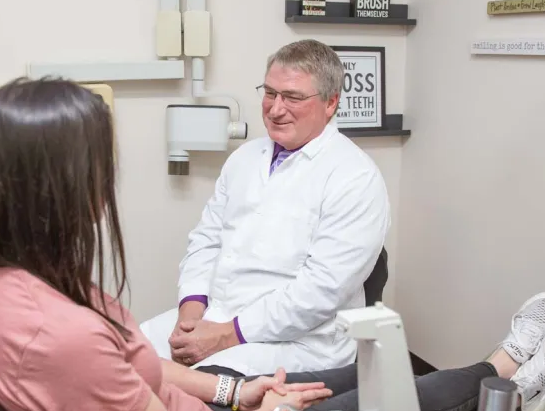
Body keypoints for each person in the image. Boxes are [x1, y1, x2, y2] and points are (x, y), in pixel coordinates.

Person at [0, 78, 545, 411]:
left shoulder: (9, 281)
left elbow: (311, 293)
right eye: (102, 165)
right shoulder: (59, 331)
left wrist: (241, 390)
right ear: (63, 184)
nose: (109, 182)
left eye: (296, 97)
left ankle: (503, 376)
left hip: (225, 390)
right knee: (394, 400)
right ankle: (510, 374)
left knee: (380, 373)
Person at [139, 39, 392, 376]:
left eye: (293, 97)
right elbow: (206, 241)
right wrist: (191, 309)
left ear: (331, 103)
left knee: (195, 389)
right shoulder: (244, 158)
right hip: (215, 316)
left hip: (297, 342)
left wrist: (227, 335)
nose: (275, 109)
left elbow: (319, 292)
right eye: (270, 93)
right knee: (124, 353)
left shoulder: (355, 178)